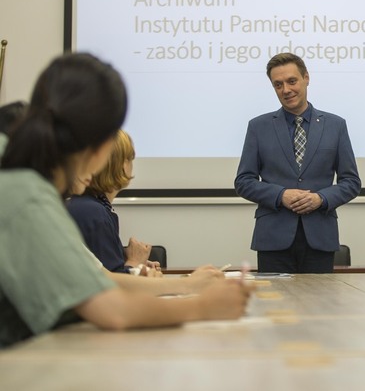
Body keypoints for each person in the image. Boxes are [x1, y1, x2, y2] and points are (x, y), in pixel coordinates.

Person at [0, 53, 251, 348]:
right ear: (102, 148)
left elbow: (94, 279)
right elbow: (111, 310)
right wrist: (203, 307)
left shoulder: (17, 170)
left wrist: (188, 286)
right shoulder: (27, 191)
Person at [235, 52, 361, 273]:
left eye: (292, 81)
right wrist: (280, 195)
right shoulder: (258, 127)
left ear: (306, 78)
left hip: (320, 236)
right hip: (273, 239)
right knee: (274, 306)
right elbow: (244, 181)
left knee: (318, 306)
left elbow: (351, 182)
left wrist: (321, 198)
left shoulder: (336, 125)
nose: (286, 90)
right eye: (278, 84)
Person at [67, 130, 158, 274]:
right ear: (121, 164)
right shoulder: (93, 213)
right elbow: (112, 286)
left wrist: (135, 265)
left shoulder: (89, 207)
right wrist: (134, 263)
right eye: (130, 159)